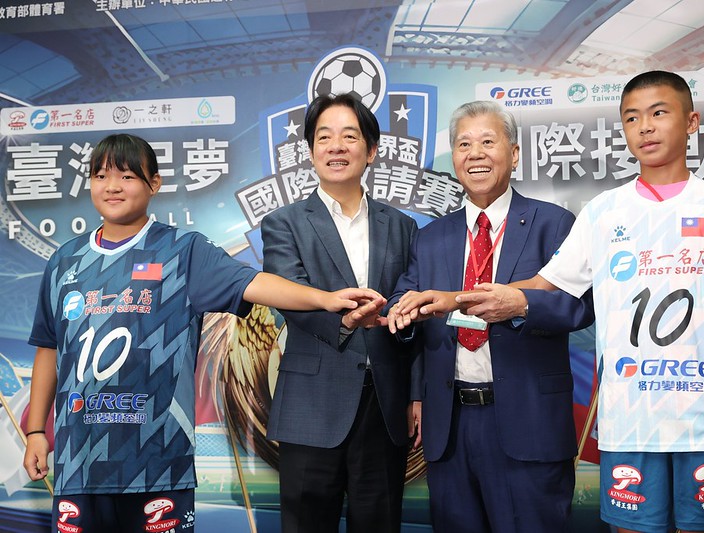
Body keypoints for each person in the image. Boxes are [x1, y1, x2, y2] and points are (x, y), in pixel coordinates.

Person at [457, 71, 704, 533]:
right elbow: (543, 285)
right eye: (632, 118)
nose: (645, 127)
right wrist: (452, 298)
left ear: (692, 122)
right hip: (630, 422)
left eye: (659, 113)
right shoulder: (602, 212)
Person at [23, 133, 380, 533]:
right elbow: (49, 348)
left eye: (127, 176)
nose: (112, 186)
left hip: (157, 463)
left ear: (154, 183)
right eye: (101, 176)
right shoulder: (65, 261)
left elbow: (254, 283)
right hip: (78, 463)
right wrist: (36, 430)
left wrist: (325, 299)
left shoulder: (182, 250)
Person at [386, 100, 594, 532]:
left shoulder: (553, 224)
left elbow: (581, 305)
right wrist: (400, 312)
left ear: (514, 154)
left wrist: (521, 305)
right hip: (451, 424)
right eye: (464, 144)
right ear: (454, 157)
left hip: (529, 419)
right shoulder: (431, 237)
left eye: (487, 142)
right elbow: (406, 296)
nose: (475, 154)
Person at [260, 93, 418, 533]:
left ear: (371, 150)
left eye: (350, 136)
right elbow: (288, 296)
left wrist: (416, 387)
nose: (336, 146)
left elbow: (412, 307)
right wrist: (343, 321)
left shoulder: (401, 226)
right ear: (310, 151)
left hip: (384, 404)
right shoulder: (284, 222)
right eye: (324, 137)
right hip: (312, 403)